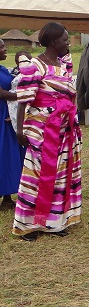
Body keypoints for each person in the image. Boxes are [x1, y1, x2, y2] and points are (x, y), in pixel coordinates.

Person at [13, 23, 82, 241]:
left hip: (63, 129)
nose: (67, 43)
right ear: (53, 42)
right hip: (41, 130)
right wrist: (20, 130)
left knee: (60, 173)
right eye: (64, 39)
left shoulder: (64, 64)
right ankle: (28, 224)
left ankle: (53, 222)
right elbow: (23, 101)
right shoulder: (34, 66)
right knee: (36, 175)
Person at [0, 40, 24, 210]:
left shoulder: (3, 69)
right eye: (1, 47)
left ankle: (7, 197)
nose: (5, 49)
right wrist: (24, 95)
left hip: (7, 115)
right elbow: (1, 94)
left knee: (7, 155)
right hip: (1, 115)